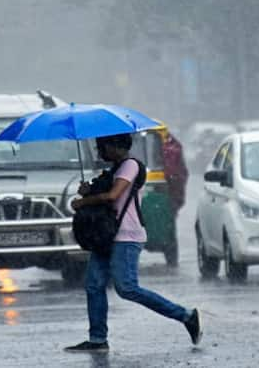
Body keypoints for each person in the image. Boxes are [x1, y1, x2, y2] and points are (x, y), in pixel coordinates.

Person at [64, 133, 202, 353]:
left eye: (103, 147)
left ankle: (186, 316)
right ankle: (98, 339)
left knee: (127, 288)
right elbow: (105, 192)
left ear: (116, 146)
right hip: (107, 236)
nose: (101, 151)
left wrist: (84, 201)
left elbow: (113, 196)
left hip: (126, 236)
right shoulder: (114, 169)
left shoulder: (131, 166)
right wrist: (87, 190)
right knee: (93, 285)